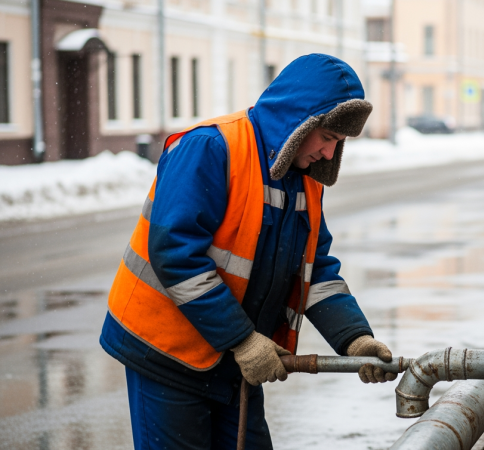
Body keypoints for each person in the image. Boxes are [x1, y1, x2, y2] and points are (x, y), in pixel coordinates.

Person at [100, 54, 396, 449]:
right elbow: (174, 252)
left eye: (338, 143)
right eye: (327, 137)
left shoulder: (302, 178)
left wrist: (354, 339)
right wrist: (242, 339)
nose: (329, 153)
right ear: (299, 121)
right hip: (166, 352)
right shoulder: (211, 147)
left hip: (231, 354)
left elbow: (316, 270)